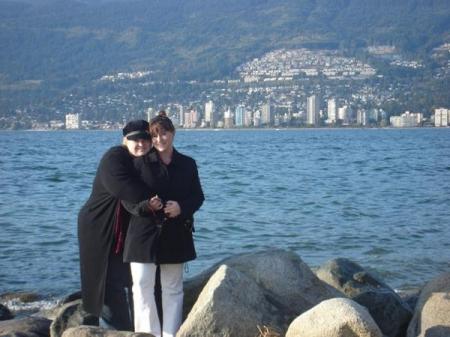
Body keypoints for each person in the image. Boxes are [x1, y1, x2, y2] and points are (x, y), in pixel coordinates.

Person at [122, 111, 204, 337]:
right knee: (141, 288)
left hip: (176, 233)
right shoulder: (138, 164)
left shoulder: (188, 164)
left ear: (173, 133)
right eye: (155, 136)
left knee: (173, 289)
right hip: (142, 233)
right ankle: (148, 335)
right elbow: (127, 200)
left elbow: (198, 196)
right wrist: (146, 206)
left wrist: (181, 208)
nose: (159, 140)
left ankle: (171, 334)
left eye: (164, 134)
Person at [77, 120, 154, 330]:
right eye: (134, 139)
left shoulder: (145, 160)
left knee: (129, 279)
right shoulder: (114, 157)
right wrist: (159, 199)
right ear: (124, 140)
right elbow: (126, 189)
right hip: (98, 226)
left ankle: (128, 327)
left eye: (145, 139)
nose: (140, 143)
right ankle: (117, 330)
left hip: (123, 229)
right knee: (105, 281)